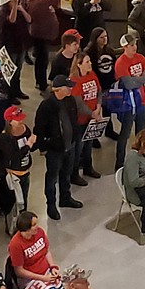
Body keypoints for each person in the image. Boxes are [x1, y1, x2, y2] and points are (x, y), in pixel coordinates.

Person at [33, 75, 83, 220]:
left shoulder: (70, 100)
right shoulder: (46, 106)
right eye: (68, 87)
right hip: (54, 149)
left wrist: (75, 138)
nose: (71, 89)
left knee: (66, 174)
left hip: (69, 145)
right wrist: (43, 148)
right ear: (59, 90)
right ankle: (51, 205)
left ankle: (65, 198)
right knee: (52, 177)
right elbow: (39, 129)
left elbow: (74, 121)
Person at [114, 34, 145, 170]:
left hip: (142, 101)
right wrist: (141, 78)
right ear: (124, 47)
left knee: (141, 133)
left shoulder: (140, 58)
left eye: (135, 44)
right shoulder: (121, 63)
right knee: (125, 134)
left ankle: (140, 160)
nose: (134, 47)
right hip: (128, 104)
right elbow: (128, 84)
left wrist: (137, 79)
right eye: (131, 45)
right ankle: (119, 163)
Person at [70, 52, 103, 183]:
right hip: (80, 120)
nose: (90, 64)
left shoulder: (92, 75)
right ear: (79, 64)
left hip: (92, 117)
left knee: (89, 144)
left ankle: (88, 167)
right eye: (87, 62)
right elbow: (78, 102)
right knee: (78, 147)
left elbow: (99, 91)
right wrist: (92, 113)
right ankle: (74, 174)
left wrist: (98, 107)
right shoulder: (74, 80)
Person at [27, 0, 66, 91]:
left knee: (42, 59)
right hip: (40, 36)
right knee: (42, 61)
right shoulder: (36, 3)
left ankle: (41, 81)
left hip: (45, 35)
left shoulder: (41, 1)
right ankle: (41, 83)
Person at [0, 105, 34, 218]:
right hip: (14, 175)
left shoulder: (24, 129)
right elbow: (13, 156)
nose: (21, 121)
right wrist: (28, 146)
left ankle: (24, 221)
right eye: (17, 120)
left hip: (25, 171)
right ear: (10, 122)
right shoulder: (5, 137)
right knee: (14, 202)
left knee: (24, 200)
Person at [8, 211, 59, 287]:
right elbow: (19, 271)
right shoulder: (15, 244)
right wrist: (43, 278)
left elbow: (46, 252)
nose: (37, 227)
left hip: (46, 272)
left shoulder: (40, 232)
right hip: (30, 279)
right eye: (34, 225)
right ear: (26, 228)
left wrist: (52, 267)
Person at [85, 27, 119, 140]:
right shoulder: (89, 53)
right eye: (101, 37)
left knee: (108, 110)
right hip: (96, 87)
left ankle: (109, 130)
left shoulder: (110, 50)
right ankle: (93, 137)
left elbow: (114, 66)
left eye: (106, 36)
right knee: (95, 112)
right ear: (95, 39)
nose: (105, 39)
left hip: (109, 85)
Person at [0, 0, 32, 100]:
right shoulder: (2, 12)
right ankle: (10, 94)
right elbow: (12, 20)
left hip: (20, 44)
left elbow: (29, 19)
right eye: (12, 1)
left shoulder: (20, 10)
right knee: (9, 72)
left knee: (18, 70)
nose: (15, 3)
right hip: (9, 46)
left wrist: (21, 9)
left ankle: (17, 91)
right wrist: (15, 7)